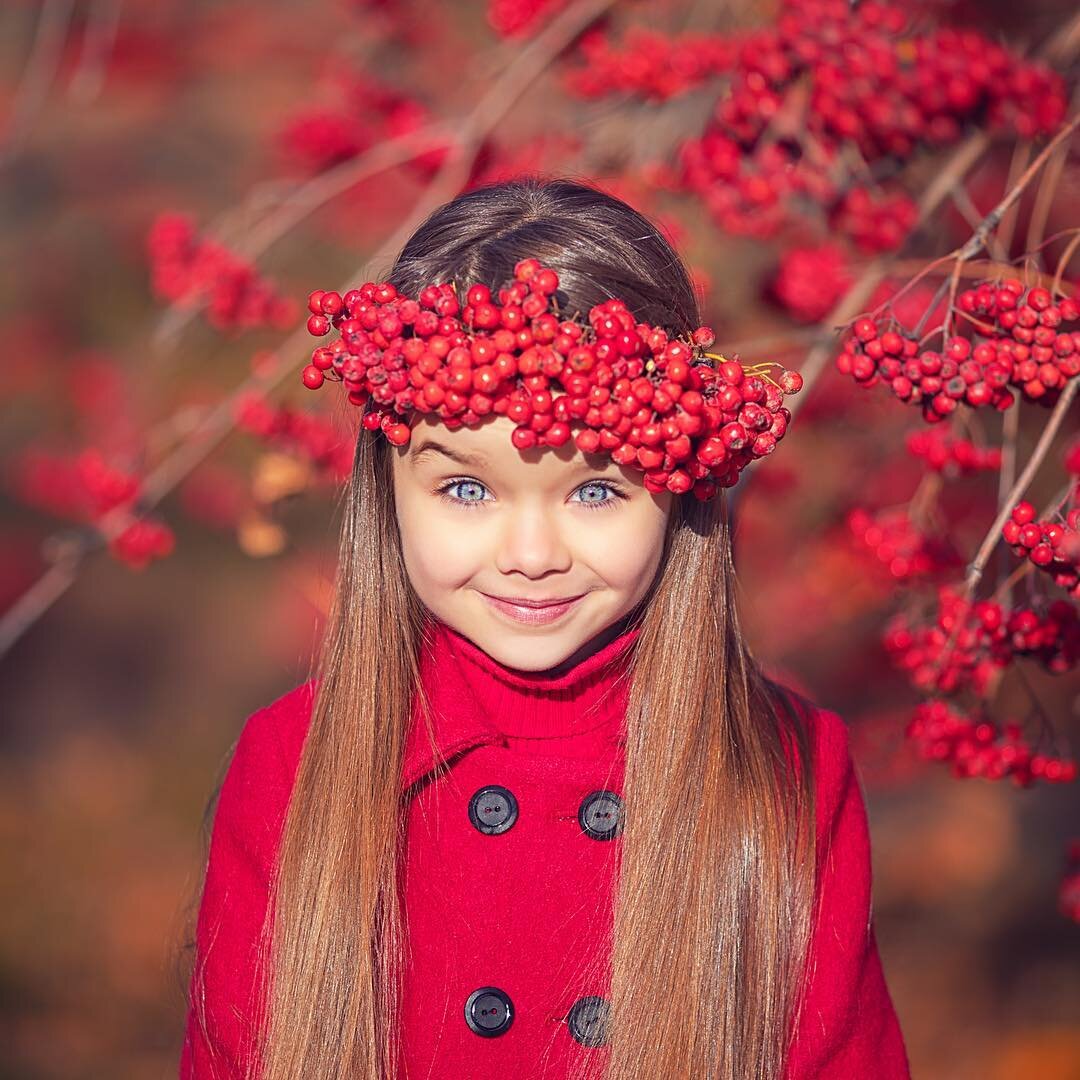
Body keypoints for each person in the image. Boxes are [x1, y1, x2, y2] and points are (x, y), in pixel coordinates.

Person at [178, 176, 911, 1079]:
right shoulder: (295, 764)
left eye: (597, 490)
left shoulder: (783, 770)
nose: (531, 554)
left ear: (679, 483)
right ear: (389, 490)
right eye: (467, 488)